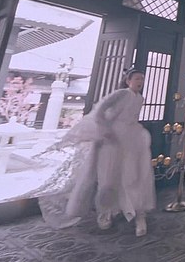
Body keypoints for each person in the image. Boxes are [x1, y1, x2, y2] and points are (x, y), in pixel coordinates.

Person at [27, 68, 155, 237]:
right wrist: (104, 130)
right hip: (112, 139)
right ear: (128, 81)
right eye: (137, 78)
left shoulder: (140, 98)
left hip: (132, 139)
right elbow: (100, 110)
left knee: (134, 177)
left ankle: (139, 214)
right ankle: (105, 213)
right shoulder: (121, 93)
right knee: (107, 178)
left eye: (142, 79)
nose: (140, 82)